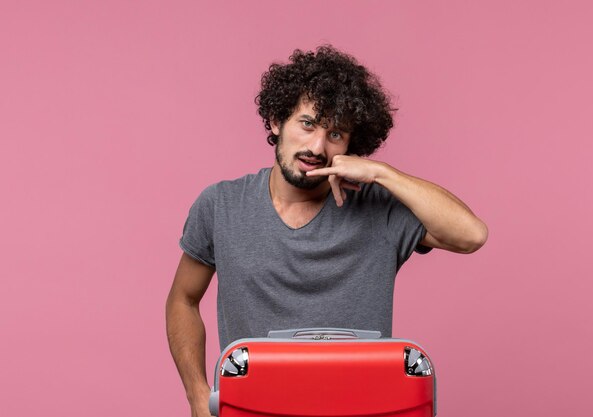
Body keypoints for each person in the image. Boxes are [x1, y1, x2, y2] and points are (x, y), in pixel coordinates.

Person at [166, 45, 488, 417]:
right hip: (252, 408)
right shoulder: (221, 206)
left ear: (352, 145)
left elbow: (471, 235)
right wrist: (197, 394)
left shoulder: (377, 206)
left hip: (362, 408)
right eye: (307, 124)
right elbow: (182, 301)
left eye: (336, 134)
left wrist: (381, 173)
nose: (317, 146)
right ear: (275, 121)